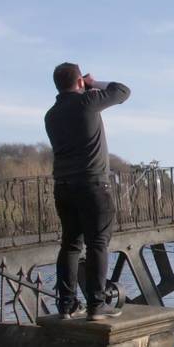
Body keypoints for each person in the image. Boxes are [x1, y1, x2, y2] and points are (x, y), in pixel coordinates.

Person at [44, 63, 130, 321]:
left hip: (63, 186)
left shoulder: (51, 114)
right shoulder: (88, 102)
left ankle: (67, 306)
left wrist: (85, 85)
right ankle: (96, 305)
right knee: (97, 244)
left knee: (70, 245)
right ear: (80, 82)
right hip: (92, 185)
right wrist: (95, 83)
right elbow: (122, 91)